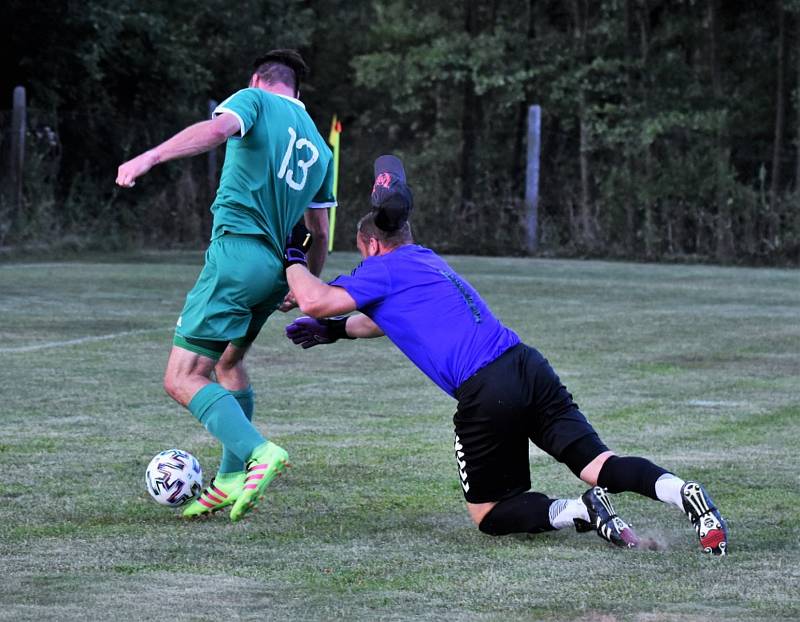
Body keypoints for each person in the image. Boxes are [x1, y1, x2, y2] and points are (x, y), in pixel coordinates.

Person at [281, 155, 729, 555]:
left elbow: (314, 300)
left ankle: (580, 511)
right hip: (526, 364)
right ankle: (683, 492)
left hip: (487, 390)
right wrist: (337, 332)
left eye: (363, 255)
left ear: (372, 245)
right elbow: (380, 321)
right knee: (598, 466)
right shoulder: (426, 260)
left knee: (490, 514)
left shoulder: (382, 267)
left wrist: (293, 254)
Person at [116, 49, 336, 522]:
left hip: (237, 255)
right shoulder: (321, 146)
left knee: (181, 377)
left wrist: (150, 156)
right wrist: (300, 286)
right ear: (297, 89)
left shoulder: (253, 100)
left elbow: (216, 131)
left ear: (258, 79)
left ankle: (259, 452)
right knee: (230, 363)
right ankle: (232, 478)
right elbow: (318, 233)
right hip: (276, 269)